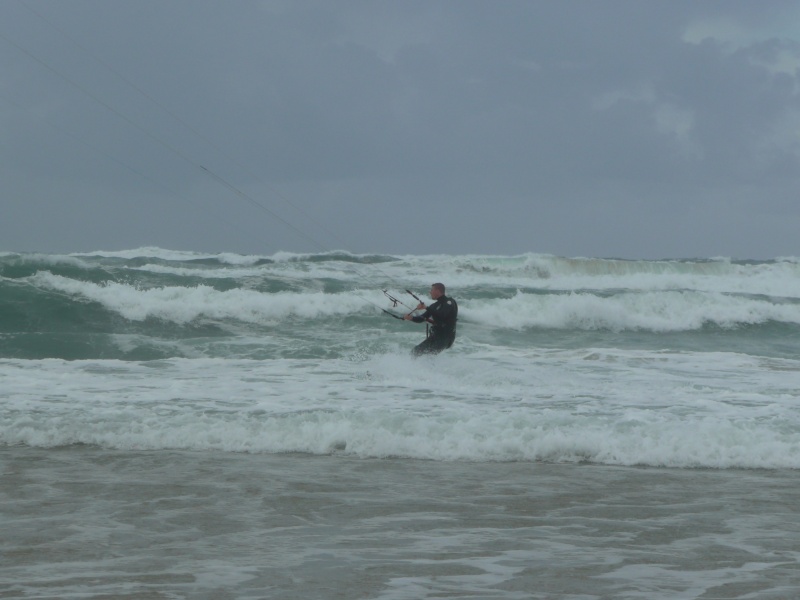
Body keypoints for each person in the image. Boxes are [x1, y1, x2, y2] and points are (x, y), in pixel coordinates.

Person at [404, 283, 458, 356]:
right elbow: (422, 318)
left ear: (437, 291)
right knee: (415, 352)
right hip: (436, 336)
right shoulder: (434, 305)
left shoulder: (450, 302)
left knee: (427, 355)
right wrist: (411, 318)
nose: (430, 292)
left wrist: (426, 307)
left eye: (432, 290)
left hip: (446, 337)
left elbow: (442, 314)